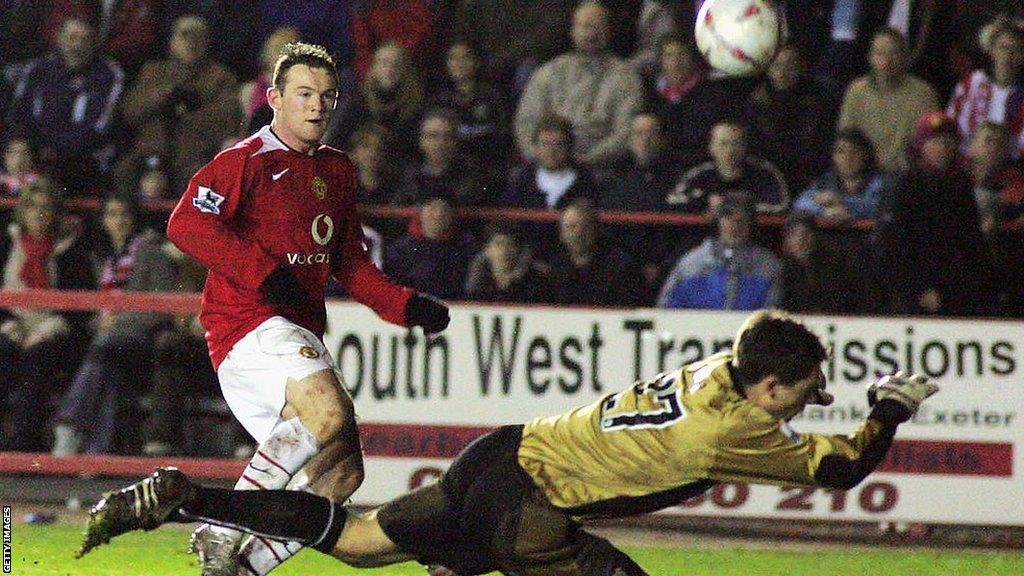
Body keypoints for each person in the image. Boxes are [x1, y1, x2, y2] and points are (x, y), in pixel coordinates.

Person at [79, 310, 941, 576]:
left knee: (366, 541)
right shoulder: (738, 429)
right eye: (794, 394)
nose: (797, 407)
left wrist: (816, 382)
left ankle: (192, 497)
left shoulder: (725, 368)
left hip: (497, 453)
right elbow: (844, 465)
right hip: (531, 510)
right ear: (767, 391)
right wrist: (885, 409)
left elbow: (771, 353)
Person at [164, 42, 451, 576]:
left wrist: (407, 306)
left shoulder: (337, 170)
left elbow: (350, 263)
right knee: (330, 412)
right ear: (274, 98)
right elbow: (185, 223)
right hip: (247, 325)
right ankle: (218, 529)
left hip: (296, 334)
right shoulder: (243, 161)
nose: (317, 106)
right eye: (303, 94)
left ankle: (242, 568)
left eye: (326, 96)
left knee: (342, 475)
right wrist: (265, 274)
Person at [51, 194, 177, 456]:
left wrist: (117, 323)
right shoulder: (103, 256)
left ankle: (69, 421)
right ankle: (97, 453)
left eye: (123, 214)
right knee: (109, 368)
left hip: (143, 338)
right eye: (112, 214)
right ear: (104, 221)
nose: (118, 221)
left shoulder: (151, 251)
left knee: (104, 346)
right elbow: (94, 309)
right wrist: (99, 322)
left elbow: (164, 307)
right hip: (110, 343)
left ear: (133, 219)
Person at [871, 111, 997, 317]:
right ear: (922, 145)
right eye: (935, 142)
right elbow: (888, 246)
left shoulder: (959, 185)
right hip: (915, 299)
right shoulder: (904, 185)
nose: (943, 148)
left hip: (958, 293)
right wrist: (917, 289)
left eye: (948, 142)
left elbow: (971, 241)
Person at [0, 178, 93, 452]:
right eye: (32, 207)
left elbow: (81, 308)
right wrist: (7, 324)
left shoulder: (71, 250)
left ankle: (22, 447)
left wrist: (47, 330)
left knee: (38, 359)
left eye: (46, 207)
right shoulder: (7, 244)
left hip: (54, 331)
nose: (39, 214)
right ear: (23, 211)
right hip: (11, 327)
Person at [116, 15, 241, 191]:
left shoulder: (221, 77)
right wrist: (165, 95)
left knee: (199, 179)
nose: (191, 43)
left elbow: (227, 121)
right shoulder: (153, 72)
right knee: (124, 172)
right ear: (172, 41)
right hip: (148, 151)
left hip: (195, 154)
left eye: (198, 37)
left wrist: (186, 112)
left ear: (207, 43)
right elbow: (130, 111)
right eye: (185, 36)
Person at [514, 1, 644, 168]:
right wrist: (545, 159)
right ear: (573, 30)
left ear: (608, 31)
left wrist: (585, 161)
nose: (591, 33)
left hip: (599, 169)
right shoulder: (549, 72)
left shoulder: (626, 77)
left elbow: (625, 132)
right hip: (546, 167)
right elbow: (526, 122)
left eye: (598, 26)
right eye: (586, 26)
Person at [5, 16, 124, 191]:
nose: (77, 46)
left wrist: (57, 149)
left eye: (84, 39)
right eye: (72, 38)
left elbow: (99, 126)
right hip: (38, 156)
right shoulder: (38, 69)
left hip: (83, 160)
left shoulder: (108, 73)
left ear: (94, 42)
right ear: (59, 38)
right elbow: (19, 115)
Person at [837, 28, 938, 174]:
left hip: (906, 179)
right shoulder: (856, 91)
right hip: (863, 176)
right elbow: (845, 140)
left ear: (905, 57)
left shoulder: (923, 94)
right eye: (879, 53)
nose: (885, 61)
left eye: (893, 54)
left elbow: (931, 148)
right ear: (870, 57)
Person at [658, 197, 781, 311]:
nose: (735, 225)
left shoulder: (767, 266)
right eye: (728, 217)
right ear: (719, 221)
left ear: (751, 223)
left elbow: (770, 313)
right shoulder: (693, 262)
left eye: (742, 219)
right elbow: (667, 307)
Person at [666, 120, 790, 215]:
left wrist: (735, 206)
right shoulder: (699, 174)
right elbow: (673, 200)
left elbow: (781, 205)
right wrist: (705, 202)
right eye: (723, 144)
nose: (730, 151)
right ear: (711, 147)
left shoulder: (764, 172)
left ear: (745, 146)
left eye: (736, 144)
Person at [946, 20, 1024, 162]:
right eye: (1003, 48)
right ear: (992, 50)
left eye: (1016, 50)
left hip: (1009, 169)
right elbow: (950, 123)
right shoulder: (971, 83)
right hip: (964, 162)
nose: (1008, 55)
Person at [792, 128, 889, 221]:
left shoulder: (879, 181)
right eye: (841, 152)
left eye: (854, 152)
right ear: (833, 156)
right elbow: (800, 203)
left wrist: (839, 201)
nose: (847, 158)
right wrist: (826, 211)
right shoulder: (827, 180)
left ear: (865, 155)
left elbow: (877, 207)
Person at [502, 115, 598, 209]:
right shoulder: (521, 180)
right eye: (545, 144)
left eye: (558, 144)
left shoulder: (586, 180)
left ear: (569, 146)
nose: (551, 151)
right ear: (535, 147)